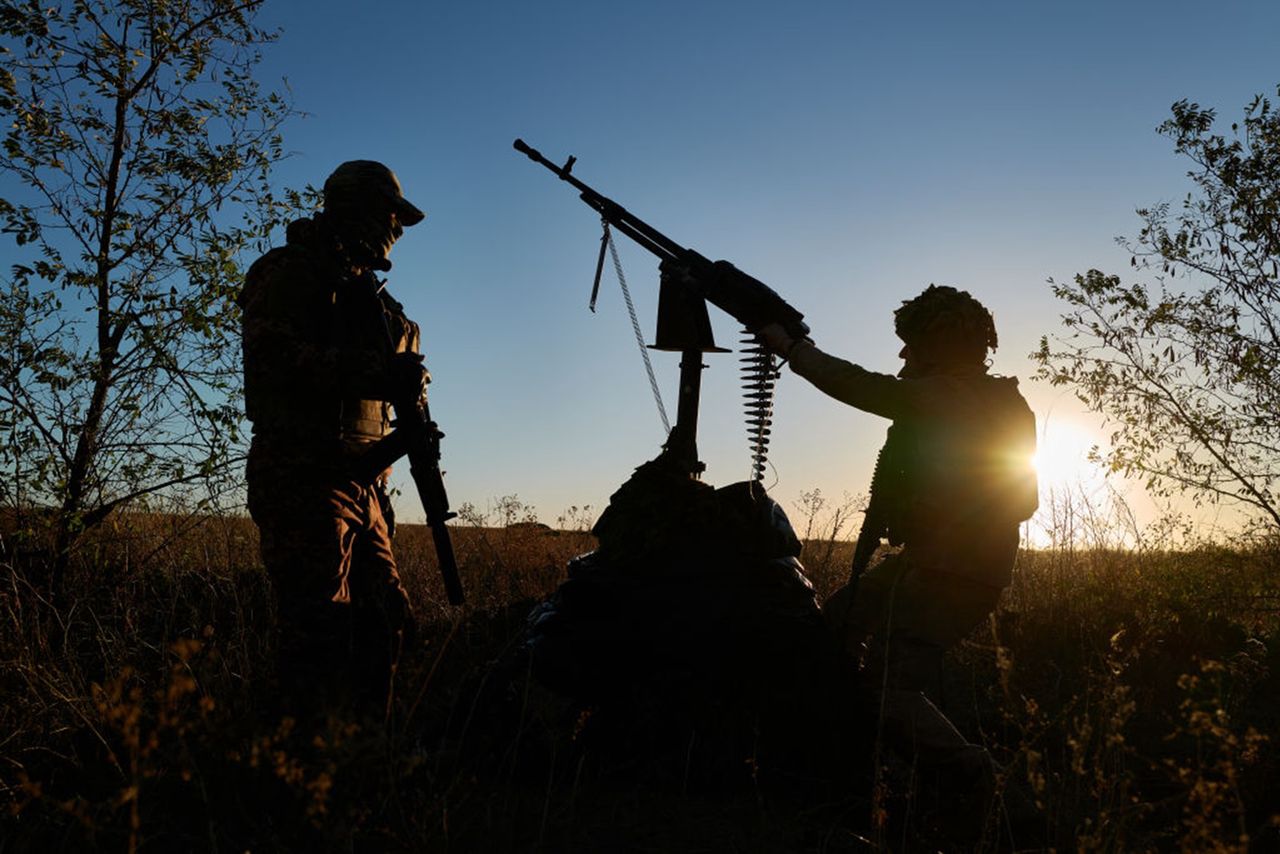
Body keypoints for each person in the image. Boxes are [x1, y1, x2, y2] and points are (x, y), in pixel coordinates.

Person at [759, 285, 1040, 836]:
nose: (904, 358)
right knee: (837, 625)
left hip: (953, 574)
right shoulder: (988, 398)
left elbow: (861, 387)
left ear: (943, 347)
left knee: (889, 689)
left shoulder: (958, 397)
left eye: (913, 347)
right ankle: (851, 764)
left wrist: (793, 350)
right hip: (934, 564)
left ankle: (979, 781)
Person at [238, 160, 430, 717]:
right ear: (358, 210)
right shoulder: (289, 273)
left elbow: (386, 389)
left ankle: (363, 765)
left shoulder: (377, 302)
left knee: (387, 622)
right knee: (317, 635)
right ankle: (297, 781)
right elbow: (272, 360)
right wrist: (377, 373)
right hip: (304, 476)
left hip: (364, 482)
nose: (396, 228)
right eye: (391, 216)